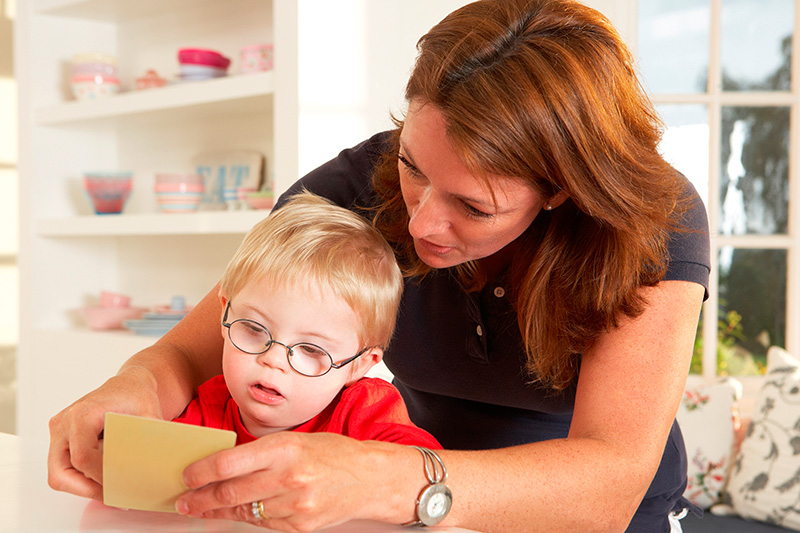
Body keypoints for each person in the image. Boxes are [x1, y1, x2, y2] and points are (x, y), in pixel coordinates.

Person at [47, 1, 710, 531]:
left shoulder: (651, 222)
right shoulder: (349, 189)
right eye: (412, 167)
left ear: (559, 191)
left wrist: (385, 478)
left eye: (472, 206)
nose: (421, 222)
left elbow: (606, 489)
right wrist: (127, 390)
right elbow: (189, 351)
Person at [171, 191, 440, 449]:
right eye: (254, 329)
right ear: (224, 312)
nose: (273, 360)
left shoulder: (364, 413)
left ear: (358, 365)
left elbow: (427, 473)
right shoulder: (207, 410)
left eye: (311, 349)